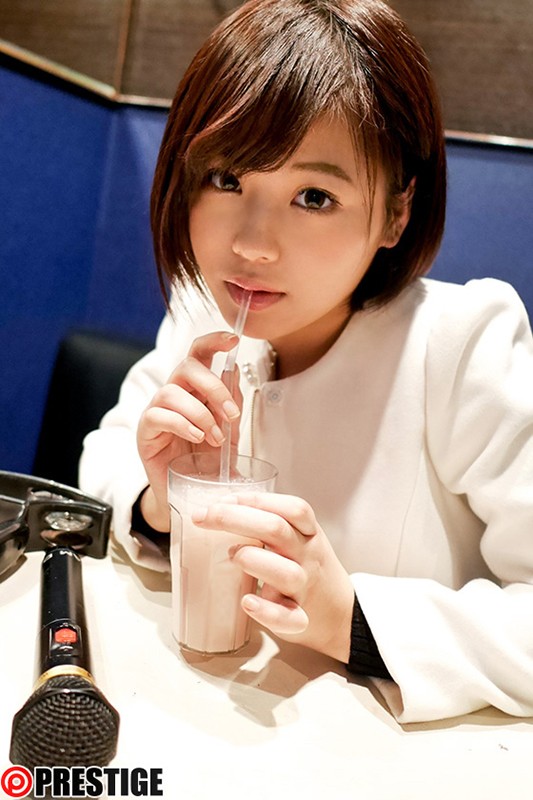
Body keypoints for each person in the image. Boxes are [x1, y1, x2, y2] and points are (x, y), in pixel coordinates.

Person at [79, 0, 533, 724]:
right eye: (226, 179)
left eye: (314, 196)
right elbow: (104, 460)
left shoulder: (460, 343)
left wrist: (348, 615)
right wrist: (160, 502)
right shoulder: (205, 314)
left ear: (396, 213)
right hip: (191, 721)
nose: (251, 245)